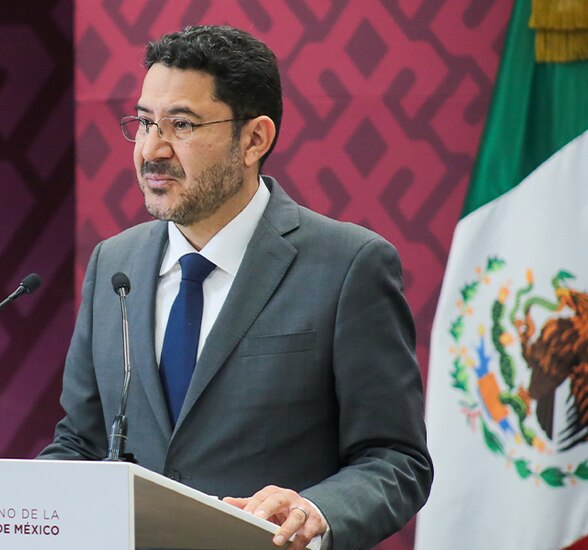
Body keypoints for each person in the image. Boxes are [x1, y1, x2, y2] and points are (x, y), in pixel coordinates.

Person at [38, 25, 432, 550]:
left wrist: (314, 510)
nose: (151, 149)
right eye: (144, 122)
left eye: (180, 124)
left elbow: (395, 459)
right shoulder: (116, 263)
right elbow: (80, 442)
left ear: (254, 139)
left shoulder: (349, 265)